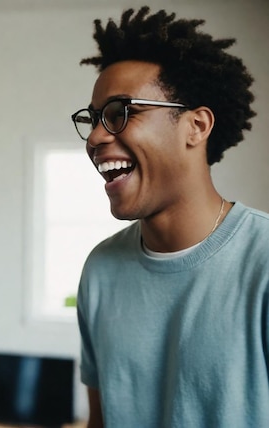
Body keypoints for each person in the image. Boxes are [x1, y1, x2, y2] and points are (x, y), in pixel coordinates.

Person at [71, 6, 268, 427]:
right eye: (93, 119)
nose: (95, 136)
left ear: (195, 126)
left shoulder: (264, 262)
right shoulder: (100, 269)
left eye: (120, 112)